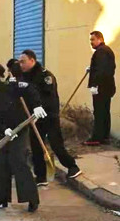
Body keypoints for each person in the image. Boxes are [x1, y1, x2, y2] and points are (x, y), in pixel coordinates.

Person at [0, 67, 47, 212]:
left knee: (18, 160)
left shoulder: (10, 87)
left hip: (19, 129)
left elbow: (30, 89)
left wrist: (37, 105)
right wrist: (3, 130)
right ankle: (0, 199)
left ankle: (31, 199)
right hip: (3, 133)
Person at [18, 50, 82, 184]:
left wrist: (39, 107)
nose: (21, 65)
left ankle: (72, 167)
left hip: (49, 116)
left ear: (32, 60)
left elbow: (49, 97)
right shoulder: (24, 77)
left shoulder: (45, 75)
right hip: (34, 118)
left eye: (23, 61)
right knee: (36, 146)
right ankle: (41, 176)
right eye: (19, 62)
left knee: (56, 144)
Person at [85, 31, 116, 146]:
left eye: (93, 40)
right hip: (107, 87)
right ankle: (104, 137)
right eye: (90, 40)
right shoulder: (106, 50)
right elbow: (105, 67)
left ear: (100, 39)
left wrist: (95, 85)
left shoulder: (101, 52)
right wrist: (91, 68)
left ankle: (96, 138)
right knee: (105, 112)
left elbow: (102, 70)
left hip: (101, 88)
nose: (91, 42)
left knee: (99, 112)